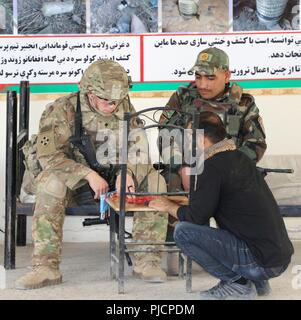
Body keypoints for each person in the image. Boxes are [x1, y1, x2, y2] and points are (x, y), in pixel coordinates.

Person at [15, 59, 168, 290]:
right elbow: (49, 157)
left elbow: (139, 146)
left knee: (156, 180)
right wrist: (86, 174)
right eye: (107, 101)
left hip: (112, 180)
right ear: (88, 92)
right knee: (50, 183)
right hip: (76, 184)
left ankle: (146, 259)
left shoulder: (123, 105)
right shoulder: (62, 110)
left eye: (117, 100)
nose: (113, 106)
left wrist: (129, 174)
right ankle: (45, 266)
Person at [149, 112, 294, 300]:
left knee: (183, 231)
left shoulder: (210, 166)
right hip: (278, 258)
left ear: (200, 138)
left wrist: (167, 205)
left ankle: (238, 284)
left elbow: (196, 218)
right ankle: (258, 283)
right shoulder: (239, 158)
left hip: (259, 262)